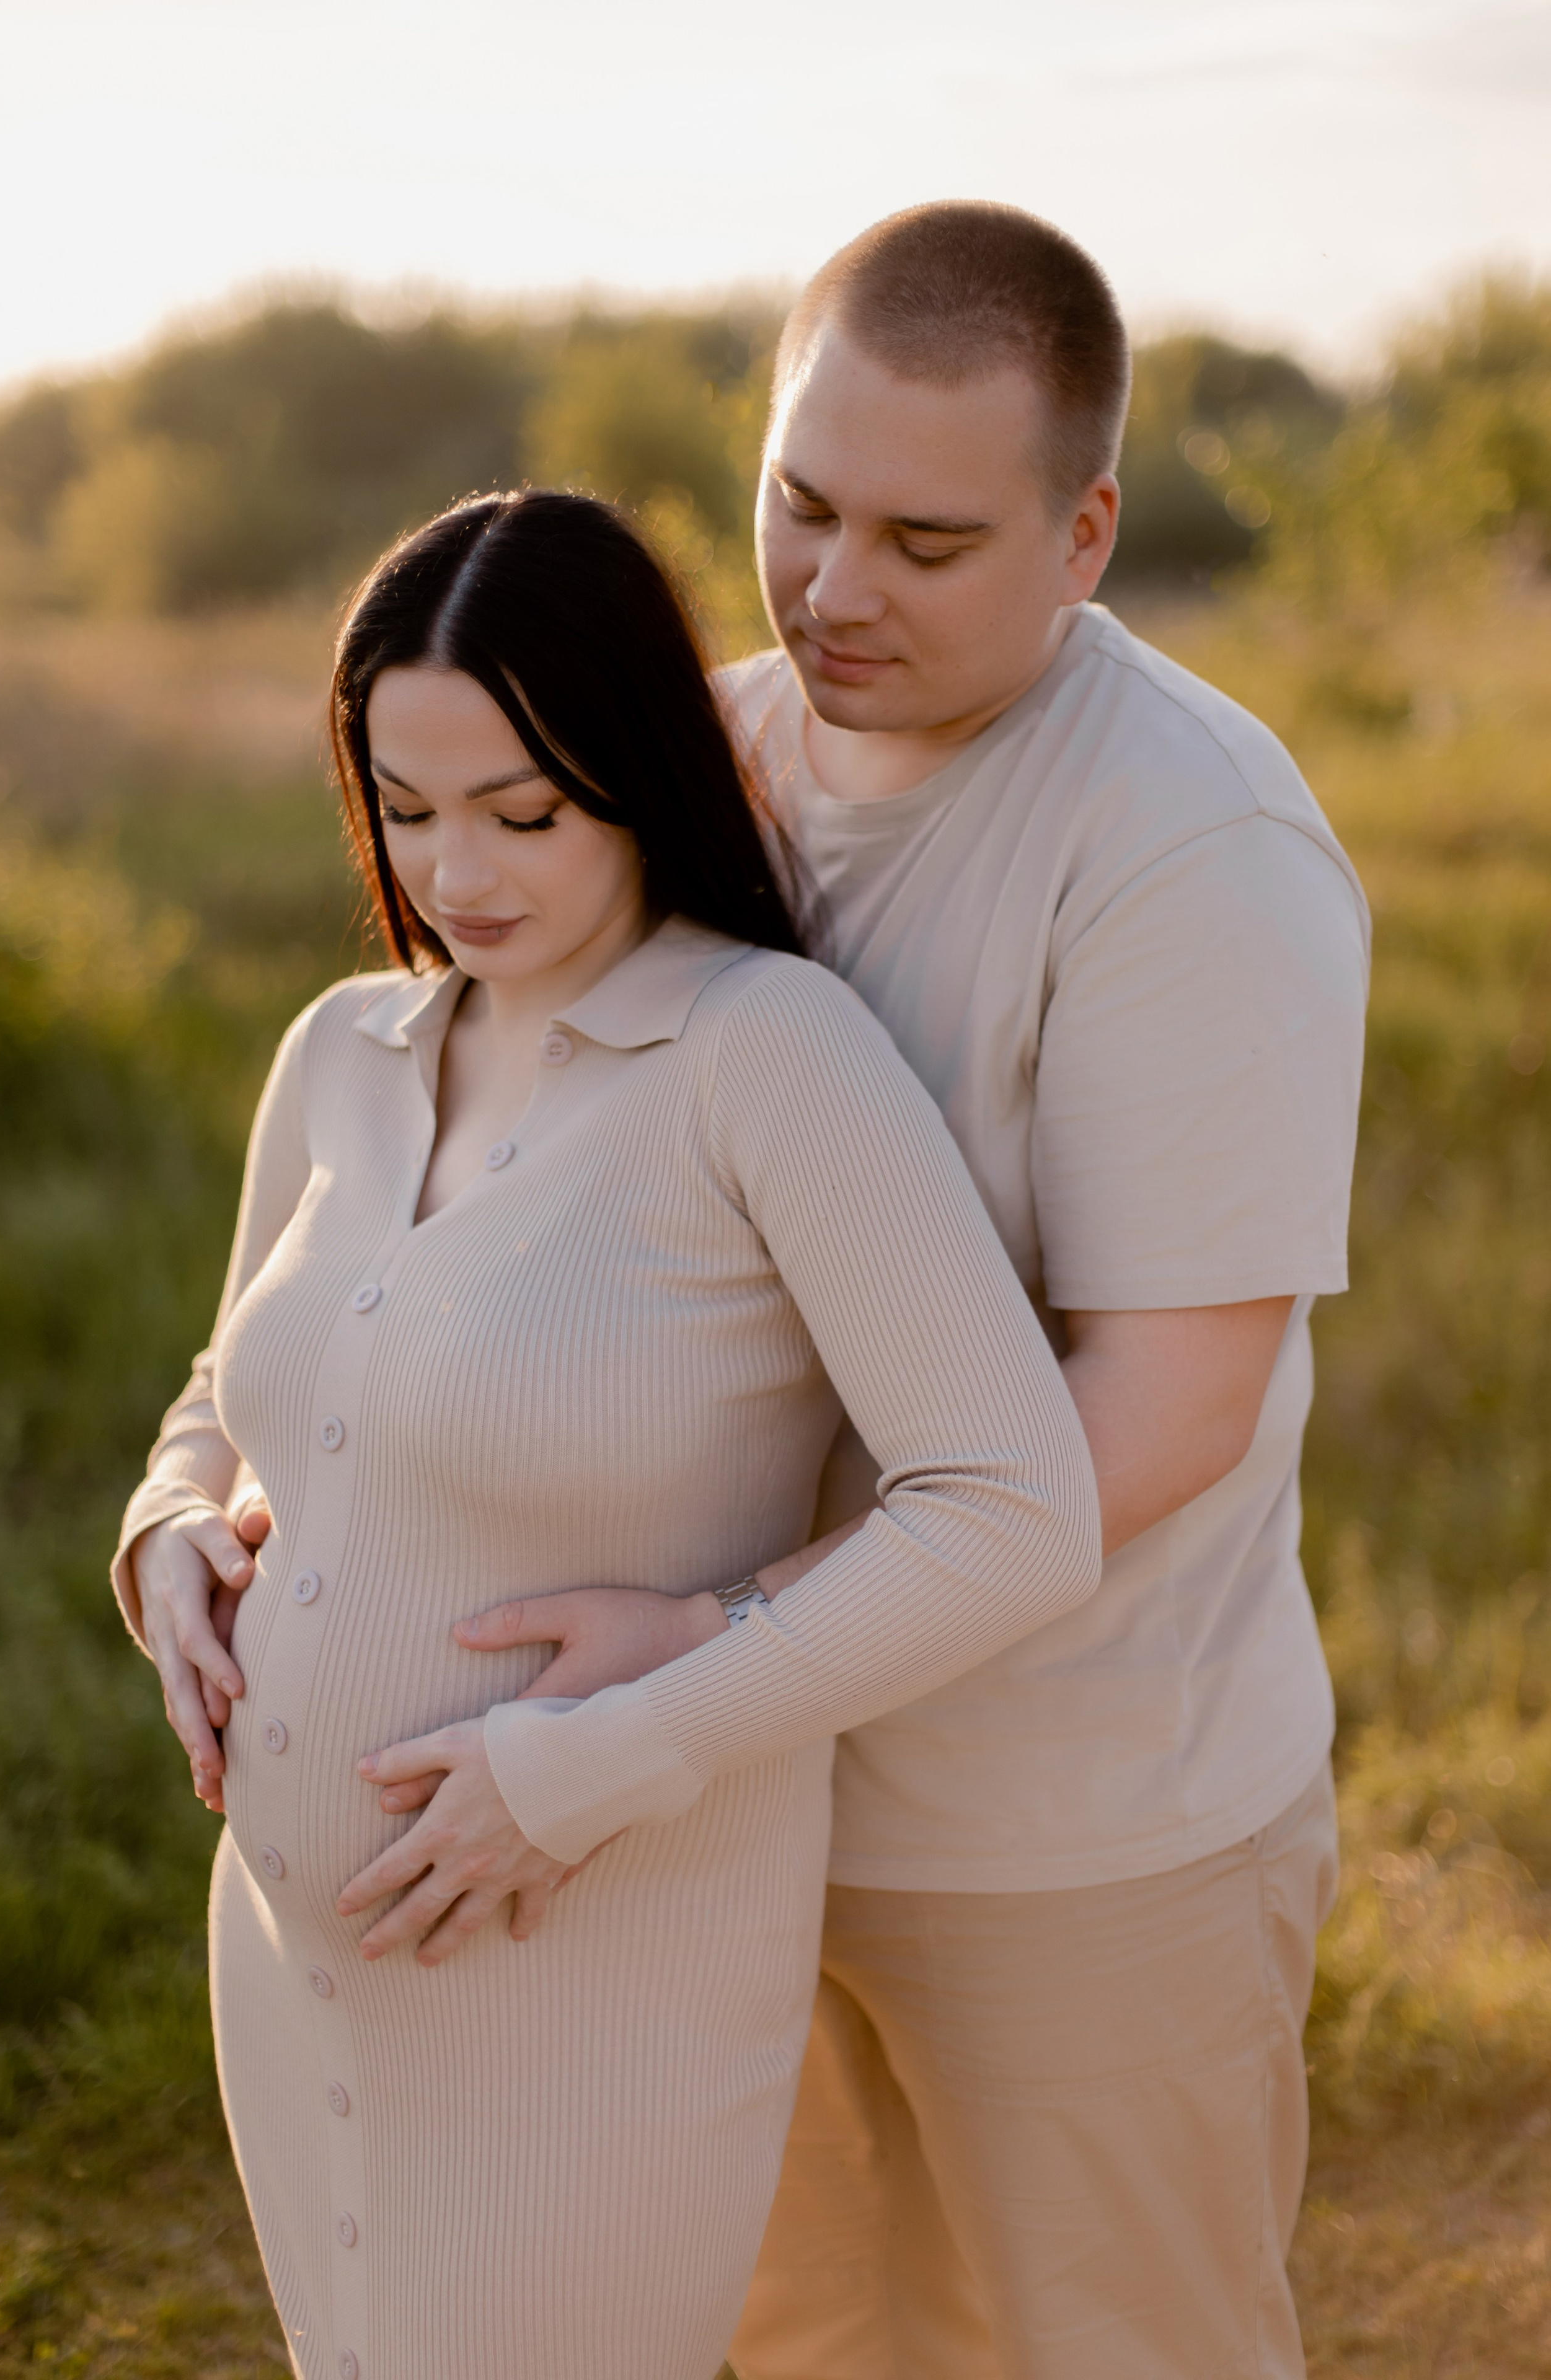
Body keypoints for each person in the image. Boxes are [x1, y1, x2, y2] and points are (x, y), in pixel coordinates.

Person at [443, 207, 1370, 2378]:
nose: (836, 589)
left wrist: (717, 1643)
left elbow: (1169, 1405)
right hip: (706, 1816)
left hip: (1069, 1832)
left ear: (1086, 534)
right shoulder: (682, 768)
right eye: (802, 504)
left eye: (929, 544)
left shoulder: (1191, 842)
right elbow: (481, 1186)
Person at [112, 488, 1100, 2380]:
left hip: (595, 1950)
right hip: (296, 1965)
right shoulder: (344, 1052)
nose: (454, 873)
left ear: (637, 773)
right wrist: (169, 1529)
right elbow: (230, 1389)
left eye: (522, 814)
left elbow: (1014, 1506)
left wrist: (593, 1767)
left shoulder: (766, 1054)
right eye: (406, 808)